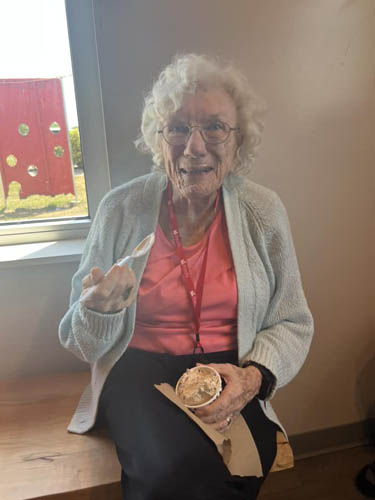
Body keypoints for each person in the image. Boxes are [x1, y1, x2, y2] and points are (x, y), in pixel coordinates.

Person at [59, 53, 314, 500]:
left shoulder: (264, 212)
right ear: (159, 139)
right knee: (171, 470)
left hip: (230, 369)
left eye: (214, 127)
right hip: (139, 369)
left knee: (246, 463)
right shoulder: (119, 210)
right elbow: (81, 343)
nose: (194, 146)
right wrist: (96, 311)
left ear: (238, 142)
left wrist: (251, 379)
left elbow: (293, 322)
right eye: (177, 128)